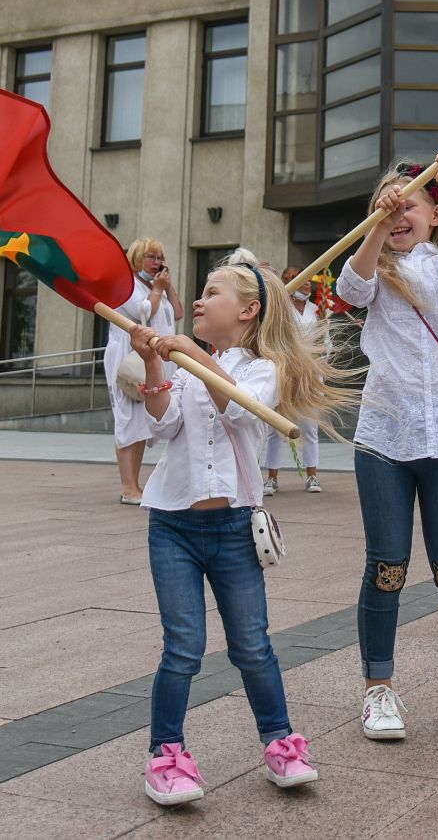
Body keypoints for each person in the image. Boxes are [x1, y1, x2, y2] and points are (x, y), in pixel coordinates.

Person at [125, 260, 351, 806]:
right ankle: (166, 755)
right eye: (200, 293)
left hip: (233, 528)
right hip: (172, 525)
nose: (198, 301)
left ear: (248, 310)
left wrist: (190, 353)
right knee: (183, 647)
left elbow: (239, 406)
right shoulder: (188, 366)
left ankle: (280, 743)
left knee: (252, 645)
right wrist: (154, 363)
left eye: (211, 292)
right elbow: (163, 423)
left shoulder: (263, 369)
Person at [337, 147, 438, 743]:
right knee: (387, 567)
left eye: (412, 207)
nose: (400, 214)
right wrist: (376, 229)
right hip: (384, 439)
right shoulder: (377, 271)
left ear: (432, 216)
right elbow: (350, 290)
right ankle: (378, 689)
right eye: (390, 206)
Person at [103, 238, 183, 504]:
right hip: (128, 359)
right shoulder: (127, 285)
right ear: (137, 258)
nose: (156, 262)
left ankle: (134, 485)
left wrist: (166, 286)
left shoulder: (153, 286)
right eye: (151, 257)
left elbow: (178, 313)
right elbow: (142, 312)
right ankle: (128, 488)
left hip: (150, 360)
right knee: (128, 420)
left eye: (160, 257)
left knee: (140, 423)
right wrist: (157, 290)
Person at [263, 265, 323, 495]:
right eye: (300, 279)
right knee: (276, 426)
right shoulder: (281, 309)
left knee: (309, 425)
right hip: (286, 371)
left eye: (308, 279)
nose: (306, 283)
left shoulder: (316, 309)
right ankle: (272, 478)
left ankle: (312, 476)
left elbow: (323, 341)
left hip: (310, 373)